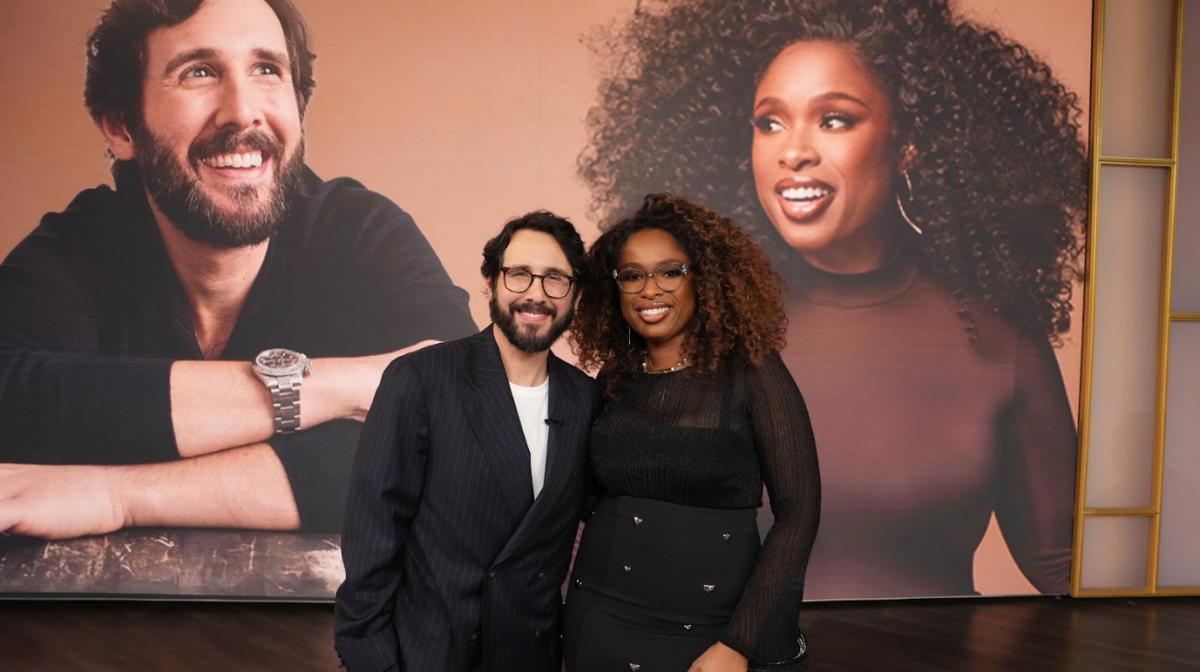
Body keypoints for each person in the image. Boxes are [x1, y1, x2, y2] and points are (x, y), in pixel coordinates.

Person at [577, 0, 1084, 599]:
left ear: (907, 143)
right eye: (770, 123)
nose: (793, 152)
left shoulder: (998, 339)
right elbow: (607, 526)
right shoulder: (705, 329)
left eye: (835, 120)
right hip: (735, 646)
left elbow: (1068, 573)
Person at [0, 0, 474, 540]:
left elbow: (471, 424)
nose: (242, 112)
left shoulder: (359, 230)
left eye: (266, 69)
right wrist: (354, 387)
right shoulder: (76, 248)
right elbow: (13, 399)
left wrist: (118, 494)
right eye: (198, 72)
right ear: (121, 126)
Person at [335, 211, 599, 672]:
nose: (536, 293)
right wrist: (373, 658)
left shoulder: (586, 399)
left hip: (529, 656)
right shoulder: (421, 378)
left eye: (555, 278)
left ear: (575, 295)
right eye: (519, 274)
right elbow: (374, 529)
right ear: (491, 282)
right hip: (429, 654)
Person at [566, 193, 820, 671]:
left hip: (716, 631)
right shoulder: (614, 379)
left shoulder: (753, 371)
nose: (649, 290)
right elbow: (585, 500)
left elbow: (799, 513)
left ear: (703, 279)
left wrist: (740, 643)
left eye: (670, 272)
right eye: (632, 276)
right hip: (599, 619)